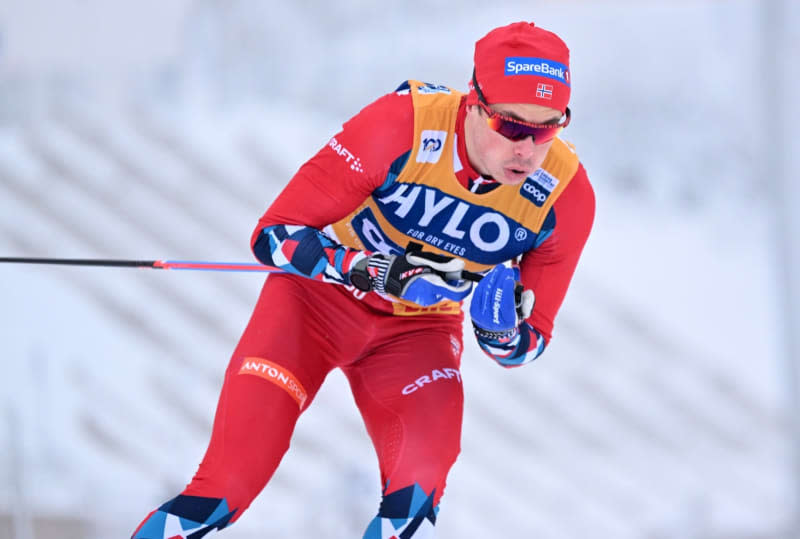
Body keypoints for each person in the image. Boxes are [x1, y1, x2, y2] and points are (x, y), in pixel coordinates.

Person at [131, 20, 595, 539]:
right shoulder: (401, 126)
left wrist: (500, 330)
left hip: (418, 333)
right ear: (474, 102)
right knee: (224, 489)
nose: (528, 150)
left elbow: (530, 344)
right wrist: (361, 268)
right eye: (512, 126)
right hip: (314, 306)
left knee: (416, 499)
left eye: (549, 128)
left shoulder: (566, 196)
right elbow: (273, 235)